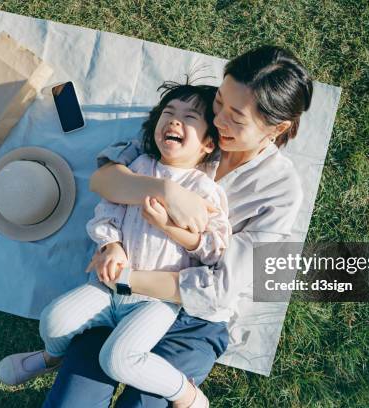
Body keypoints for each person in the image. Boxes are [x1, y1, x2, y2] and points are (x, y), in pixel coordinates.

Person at [44, 44, 314, 407]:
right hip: (116, 298)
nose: (219, 121)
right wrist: (165, 190)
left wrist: (126, 278)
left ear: (276, 128)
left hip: (192, 318)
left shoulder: (280, 192)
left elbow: (219, 289)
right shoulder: (190, 120)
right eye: (220, 101)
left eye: (237, 117)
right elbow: (106, 179)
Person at [0, 82, 232, 407]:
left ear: (207, 144)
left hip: (156, 300)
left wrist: (169, 227)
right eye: (169, 113)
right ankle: (52, 359)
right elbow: (108, 206)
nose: (174, 122)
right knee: (54, 319)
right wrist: (111, 244)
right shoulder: (139, 167)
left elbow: (214, 248)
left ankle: (185, 394)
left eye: (189, 117)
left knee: (117, 360)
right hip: (108, 285)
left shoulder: (205, 191)